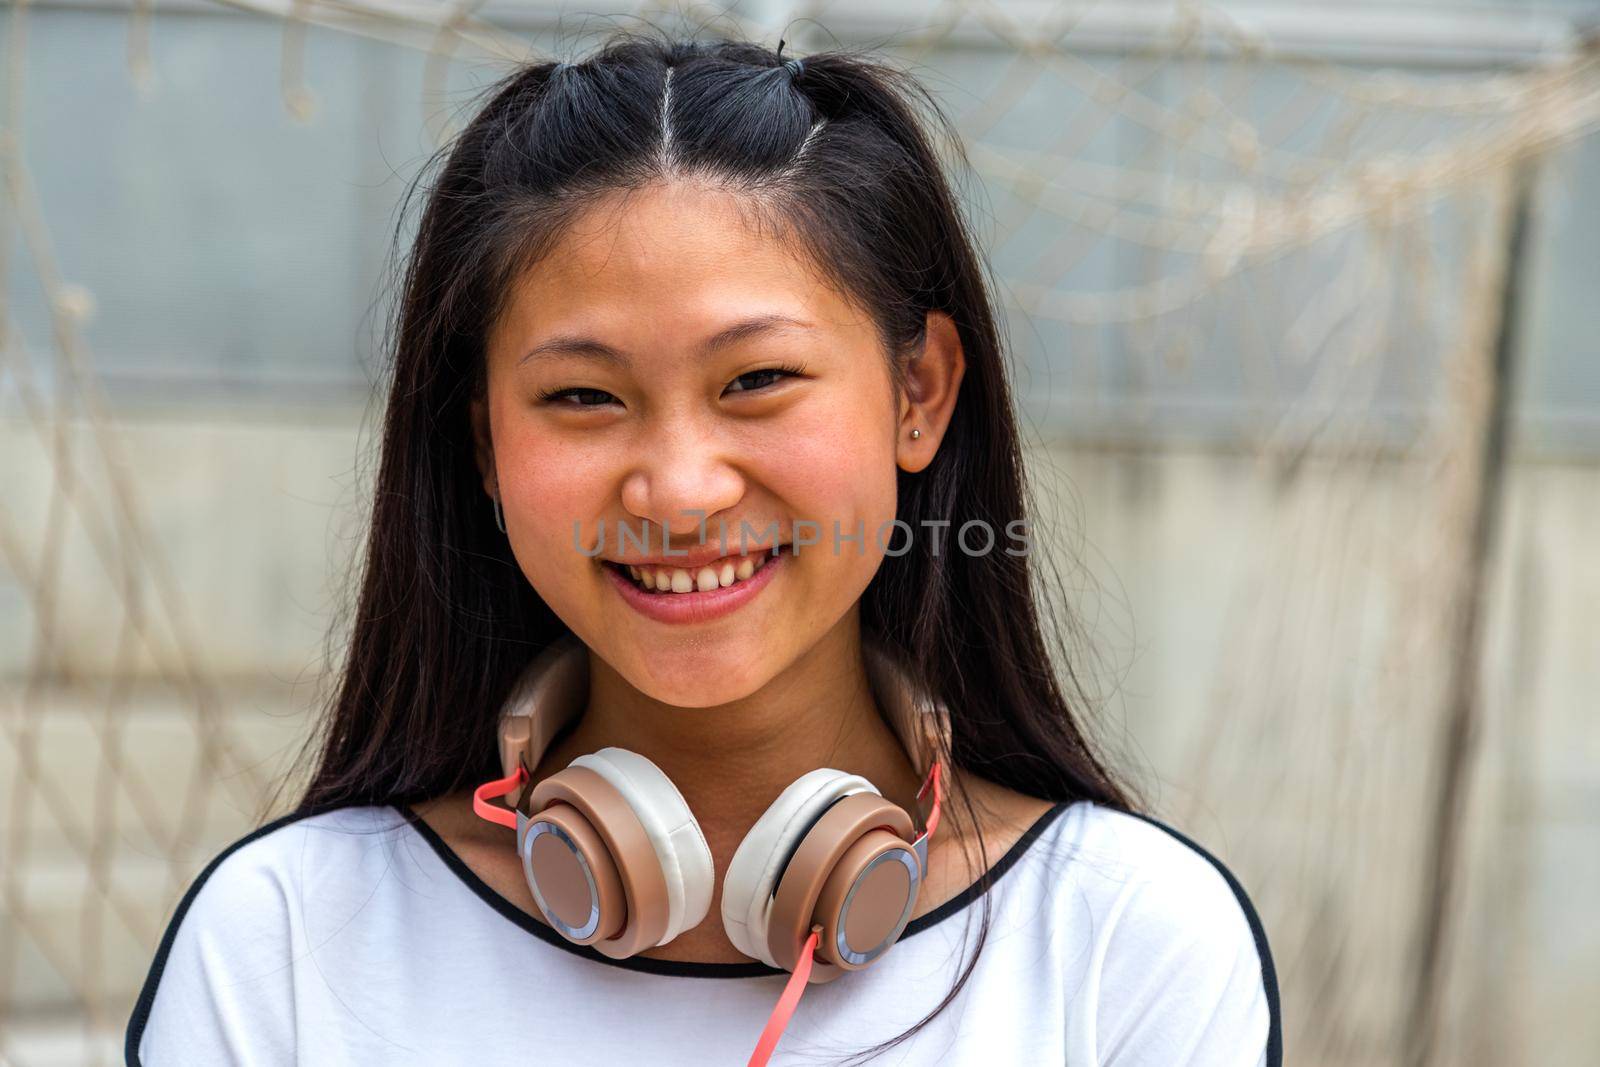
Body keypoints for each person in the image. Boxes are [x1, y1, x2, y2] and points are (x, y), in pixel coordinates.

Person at [125, 31, 1280, 1067]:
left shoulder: (1124, 942)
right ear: (484, 446)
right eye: (582, 395)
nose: (678, 491)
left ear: (916, 392)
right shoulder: (283, 939)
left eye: (758, 380)